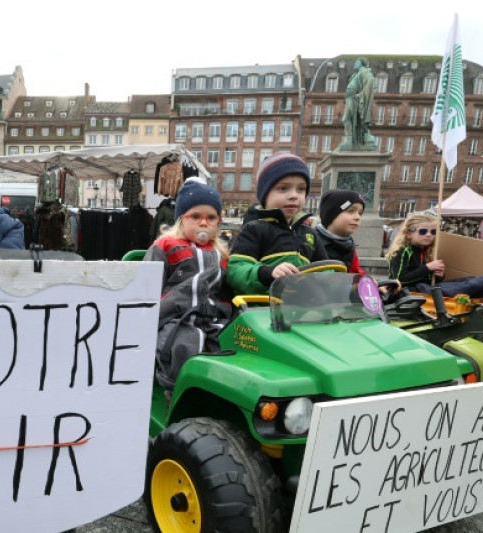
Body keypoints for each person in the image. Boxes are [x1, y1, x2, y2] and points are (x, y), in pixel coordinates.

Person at [144, 177, 232, 390]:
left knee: (229, 345)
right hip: (174, 317)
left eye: (211, 218)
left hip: (210, 317)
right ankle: (173, 391)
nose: (203, 223)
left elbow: (223, 290)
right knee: (183, 346)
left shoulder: (220, 253)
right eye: (195, 216)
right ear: (181, 219)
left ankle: (214, 392)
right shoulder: (166, 245)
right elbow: (147, 284)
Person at [227, 153, 329, 295]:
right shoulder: (255, 229)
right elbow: (236, 271)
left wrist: (332, 283)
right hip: (263, 309)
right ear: (265, 194)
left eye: (300, 189)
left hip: (303, 309)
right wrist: (267, 273)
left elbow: (326, 270)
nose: (294, 195)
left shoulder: (309, 234)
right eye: (283, 188)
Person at [385, 212, 483, 297]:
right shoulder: (402, 250)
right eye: (423, 231)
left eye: (433, 232)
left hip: (422, 289)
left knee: (464, 281)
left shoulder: (426, 250)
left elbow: (426, 278)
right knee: (463, 287)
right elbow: (399, 279)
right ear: (409, 234)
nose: (429, 235)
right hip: (406, 292)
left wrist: (438, 275)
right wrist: (428, 268)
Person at [341, 57, 375, 148]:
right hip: (350, 99)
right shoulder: (356, 75)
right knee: (349, 120)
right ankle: (349, 141)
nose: (355, 64)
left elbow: (369, 85)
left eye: (357, 62)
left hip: (355, 99)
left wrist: (359, 96)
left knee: (347, 119)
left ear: (362, 64)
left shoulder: (365, 72)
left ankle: (350, 141)